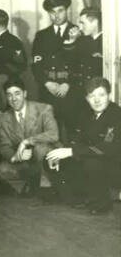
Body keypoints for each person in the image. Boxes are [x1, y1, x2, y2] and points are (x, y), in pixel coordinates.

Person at [45, 77, 120, 214]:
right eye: (92, 96)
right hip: (92, 157)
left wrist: (71, 151)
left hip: (114, 164)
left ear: (109, 95)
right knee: (51, 157)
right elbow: (79, 139)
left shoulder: (116, 114)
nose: (97, 100)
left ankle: (102, 204)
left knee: (92, 163)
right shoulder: (87, 114)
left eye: (101, 95)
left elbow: (107, 148)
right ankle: (76, 199)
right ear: (87, 99)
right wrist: (62, 152)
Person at [0, 77, 58, 196]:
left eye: (17, 93)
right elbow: (4, 146)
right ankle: (31, 183)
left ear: (25, 94)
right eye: (9, 95)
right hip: (25, 162)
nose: (13, 99)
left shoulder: (44, 109)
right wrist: (16, 157)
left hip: (44, 158)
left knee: (40, 148)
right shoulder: (3, 118)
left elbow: (53, 134)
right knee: (1, 170)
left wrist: (27, 142)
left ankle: (46, 188)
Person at [32, 0, 74, 112]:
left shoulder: (77, 32)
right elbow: (36, 64)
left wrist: (67, 84)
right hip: (47, 90)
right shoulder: (41, 35)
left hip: (71, 90)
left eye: (60, 11)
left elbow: (81, 64)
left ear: (67, 10)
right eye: (52, 12)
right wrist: (46, 83)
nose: (56, 15)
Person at [76, 8, 102, 81]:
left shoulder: (107, 42)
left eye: (83, 23)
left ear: (95, 22)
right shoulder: (81, 41)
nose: (80, 28)